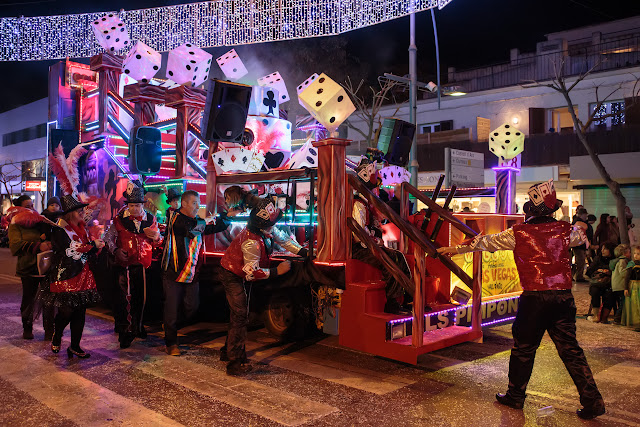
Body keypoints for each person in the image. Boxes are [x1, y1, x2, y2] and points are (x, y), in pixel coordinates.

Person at [438, 180, 605, 420]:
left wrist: (455, 250)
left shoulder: (518, 233)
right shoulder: (566, 230)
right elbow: (582, 238)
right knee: (571, 351)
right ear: (552, 209)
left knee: (524, 349)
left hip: (534, 299)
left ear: (531, 210)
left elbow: (485, 242)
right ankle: (593, 400)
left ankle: (515, 396)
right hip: (563, 298)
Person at [219, 195, 334, 375]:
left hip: (240, 273)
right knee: (240, 315)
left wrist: (305, 252)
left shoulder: (267, 230)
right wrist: (276, 271)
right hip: (233, 274)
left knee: (240, 315)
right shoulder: (251, 243)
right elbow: (252, 273)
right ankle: (234, 362)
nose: (275, 225)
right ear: (262, 225)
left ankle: (228, 351)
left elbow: (284, 240)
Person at [160, 190, 237, 356]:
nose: (198, 206)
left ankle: (168, 324)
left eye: (198, 203)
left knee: (192, 307)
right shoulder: (176, 219)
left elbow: (214, 227)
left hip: (192, 272)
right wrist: (206, 220)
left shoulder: (195, 221)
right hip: (174, 271)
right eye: (195, 203)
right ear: (184, 203)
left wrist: (228, 216)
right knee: (172, 308)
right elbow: (191, 228)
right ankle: (171, 342)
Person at [39, 194, 105, 358]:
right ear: (70, 214)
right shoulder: (60, 230)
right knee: (66, 312)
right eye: (79, 210)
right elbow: (70, 251)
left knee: (80, 312)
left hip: (83, 275)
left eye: (82, 209)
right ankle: (57, 334)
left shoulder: (84, 229)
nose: (82, 212)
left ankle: (75, 346)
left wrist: (96, 247)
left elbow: (86, 251)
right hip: (66, 276)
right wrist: (91, 245)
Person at [350, 158, 413, 314]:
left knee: (399, 256)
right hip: (359, 248)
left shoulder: (367, 203)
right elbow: (360, 236)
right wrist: (377, 239)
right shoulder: (359, 204)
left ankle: (408, 297)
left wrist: (377, 234)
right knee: (391, 258)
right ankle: (392, 302)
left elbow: (374, 228)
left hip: (368, 244)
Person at [104, 184, 161, 348]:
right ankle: (125, 331)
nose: (134, 209)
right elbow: (108, 238)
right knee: (125, 298)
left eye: (137, 205)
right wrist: (116, 250)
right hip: (124, 264)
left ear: (142, 205)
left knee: (141, 299)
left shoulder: (151, 219)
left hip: (143, 263)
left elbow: (159, 239)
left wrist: (156, 237)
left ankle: (137, 326)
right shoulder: (118, 220)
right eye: (131, 205)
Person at [7, 195, 55, 340]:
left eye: (32, 205)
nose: (31, 208)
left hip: (45, 267)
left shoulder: (40, 222)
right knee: (29, 299)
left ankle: (49, 330)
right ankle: (27, 328)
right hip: (28, 268)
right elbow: (15, 246)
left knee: (49, 300)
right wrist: (37, 246)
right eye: (27, 206)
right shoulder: (16, 224)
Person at [585, 243, 615, 323]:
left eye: (605, 249)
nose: (602, 251)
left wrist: (609, 272)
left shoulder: (614, 260)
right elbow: (589, 271)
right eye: (602, 248)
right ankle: (596, 316)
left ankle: (604, 317)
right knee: (595, 291)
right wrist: (599, 271)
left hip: (609, 283)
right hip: (597, 283)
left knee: (610, 293)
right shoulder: (598, 258)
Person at [610, 244, 631, 325]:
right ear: (624, 253)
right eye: (629, 252)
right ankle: (617, 318)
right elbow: (623, 273)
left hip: (616, 285)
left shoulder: (616, 261)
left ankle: (620, 318)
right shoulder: (623, 261)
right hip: (621, 285)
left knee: (620, 302)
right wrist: (629, 270)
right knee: (623, 303)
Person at [621, 246, 640, 331]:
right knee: (634, 304)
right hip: (634, 286)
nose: (636, 255)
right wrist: (626, 288)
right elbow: (627, 277)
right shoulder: (631, 264)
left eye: (638, 254)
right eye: (635, 253)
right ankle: (636, 322)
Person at [572, 208, 590, 282]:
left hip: (579, 245)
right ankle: (578, 276)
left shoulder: (577, 222)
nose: (586, 216)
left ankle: (575, 275)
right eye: (585, 215)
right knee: (580, 261)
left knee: (580, 261)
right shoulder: (579, 223)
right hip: (579, 245)